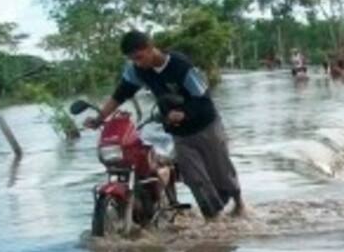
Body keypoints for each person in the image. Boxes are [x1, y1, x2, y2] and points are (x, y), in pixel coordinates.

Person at [85, 30, 244, 219]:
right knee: (194, 178)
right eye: (132, 59)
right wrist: (100, 118)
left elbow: (204, 100)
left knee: (221, 172)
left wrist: (184, 113)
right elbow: (120, 95)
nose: (137, 63)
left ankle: (239, 203)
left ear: (151, 48)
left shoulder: (180, 66)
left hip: (206, 125)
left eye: (139, 57)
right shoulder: (137, 70)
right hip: (179, 133)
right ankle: (214, 218)